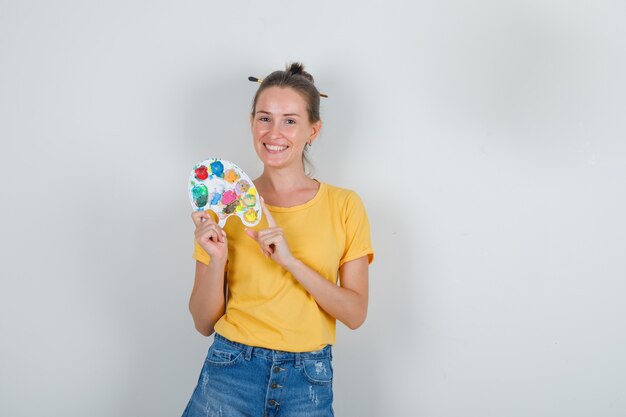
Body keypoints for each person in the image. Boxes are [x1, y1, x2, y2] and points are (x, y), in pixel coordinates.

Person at [182, 62, 374, 417]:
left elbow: (355, 313)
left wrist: (290, 261)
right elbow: (203, 322)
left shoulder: (345, 205)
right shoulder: (222, 204)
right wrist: (218, 258)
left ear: (312, 130)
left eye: (290, 120)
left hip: (308, 381)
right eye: (264, 118)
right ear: (252, 123)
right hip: (230, 372)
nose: (274, 132)